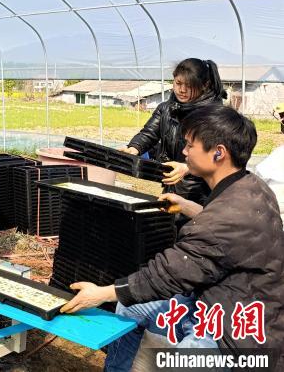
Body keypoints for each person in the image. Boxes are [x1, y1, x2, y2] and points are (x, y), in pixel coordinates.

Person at [61, 105, 284, 370]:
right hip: (219, 297)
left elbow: (168, 274)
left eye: (190, 145)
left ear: (218, 153)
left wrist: (101, 294)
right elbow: (226, 235)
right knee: (129, 309)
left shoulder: (225, 217)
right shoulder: (250, 186)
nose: (184, 152)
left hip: (234, 330)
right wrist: (187, 206)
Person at [120, 58, 226, 209]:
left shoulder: (214, 116)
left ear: (205, 85)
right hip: (172, 183)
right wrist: (133, 148)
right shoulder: (166, 109)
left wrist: (188, 168)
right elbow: (149, 133)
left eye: (189, 86)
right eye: (178, 83)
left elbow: (216, 156)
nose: (181, 90)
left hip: (202, 190)